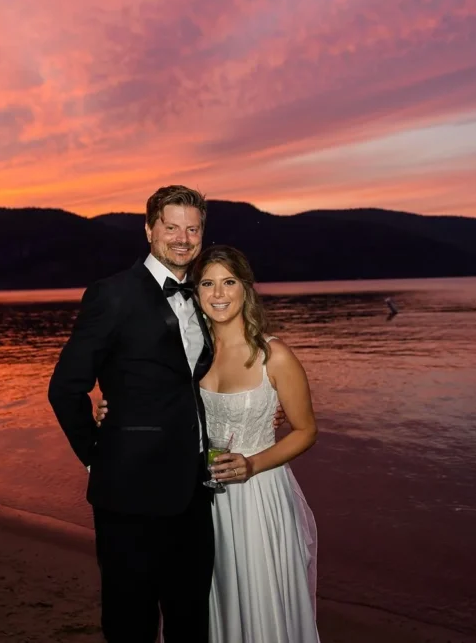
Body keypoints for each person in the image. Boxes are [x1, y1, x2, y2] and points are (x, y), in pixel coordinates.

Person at [95, 244, 320, 643]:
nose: (219, 294)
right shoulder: (192, 355)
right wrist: (109, 409)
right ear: (195, 292)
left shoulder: (275, 355)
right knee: (204, 605)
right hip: (199, 502)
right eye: (208, 284)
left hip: (257, 497)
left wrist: (253, 464)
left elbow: (306, 431)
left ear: (246, 289)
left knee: (258, 600)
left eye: (229, 282)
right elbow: (152, 399)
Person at [48, 185, 216, 642]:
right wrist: (95, 456)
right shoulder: (112, 295)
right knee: (130, 621)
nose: (182, 238)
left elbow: (201, 381)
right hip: (129, 493)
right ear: (149, 230)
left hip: (195, 492)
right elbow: (65, 388)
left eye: (193, 228)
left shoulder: (206, 297)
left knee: (191, 620)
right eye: (171, 227)